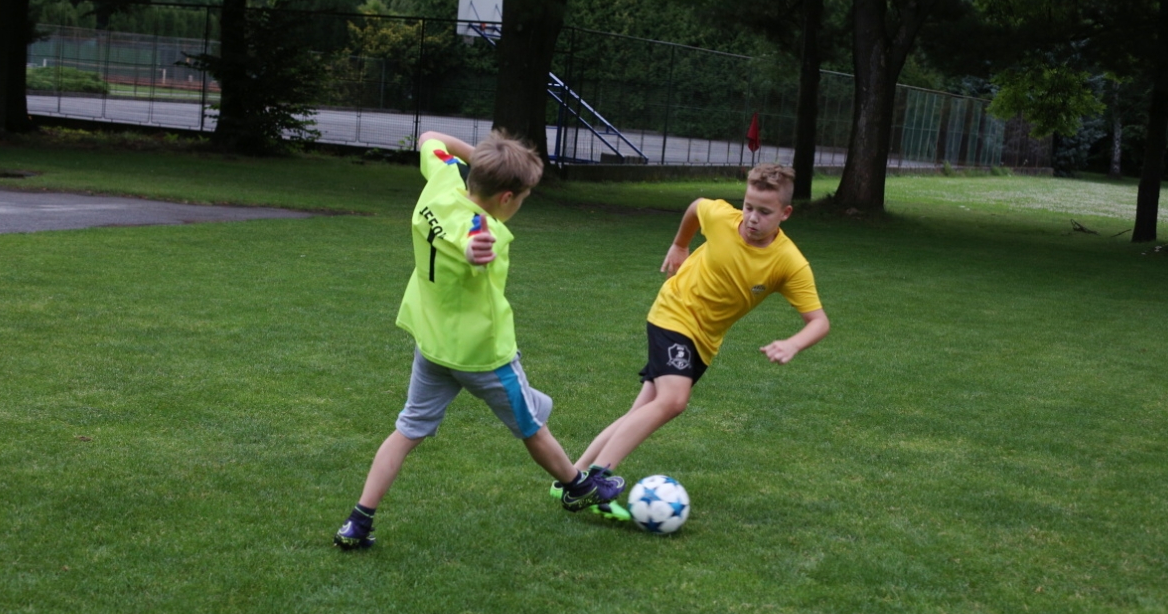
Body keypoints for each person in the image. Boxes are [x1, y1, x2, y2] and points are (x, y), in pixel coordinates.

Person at [335, 130, 624, 550]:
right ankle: (577, 486)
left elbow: (431, 137)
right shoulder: (485, 231)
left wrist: (484, 162)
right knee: (532, 426)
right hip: (482, 355)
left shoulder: (443, 181)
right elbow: (472, 244)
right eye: (522, 196)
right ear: (507, 198)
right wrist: (476, 251)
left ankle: (358, 521)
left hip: (433, 343)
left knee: (408, 428)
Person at [551, 163, 829, 509]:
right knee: (673, 400)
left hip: (705, 341)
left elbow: (818, 321)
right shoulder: (723, 219)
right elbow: (697, 206)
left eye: (764, 212)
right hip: (674, 312)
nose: (752, 218)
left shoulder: (789, 262)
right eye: (748, 206)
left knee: (644, 408)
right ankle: (597, 478)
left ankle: (572, 477)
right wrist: (680, 245)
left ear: (785, 213)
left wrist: (793, 343)